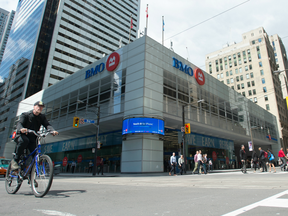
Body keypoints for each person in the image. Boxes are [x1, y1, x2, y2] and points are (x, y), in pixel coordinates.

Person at [11, 101, 58, 170]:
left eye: (41, 107)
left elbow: (47, 124)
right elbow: (19, 123)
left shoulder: (41, 117)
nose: (40, 108)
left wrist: (52, 131)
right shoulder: (26, 115)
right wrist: (21, 129)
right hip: (23, 135)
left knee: (35, 155)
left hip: (32, 138)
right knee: (25, 141)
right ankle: (15, 160)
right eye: (38, 106)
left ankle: (31, 176)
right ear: (34, 107)